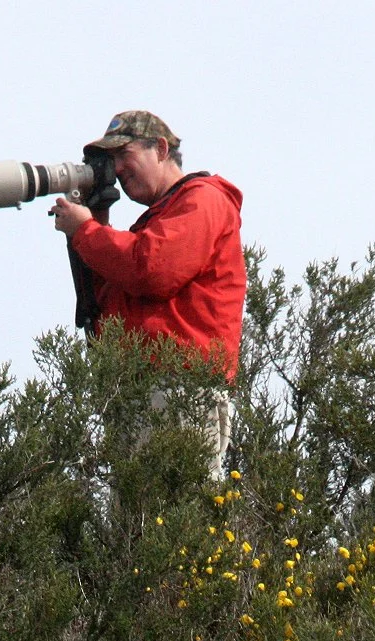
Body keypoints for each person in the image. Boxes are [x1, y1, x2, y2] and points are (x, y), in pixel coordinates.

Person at [50, 111, 246, 471]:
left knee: (177, 498)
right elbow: (108, 298)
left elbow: (152, 270)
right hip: (141, 390)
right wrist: (96, 221)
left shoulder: (202, 199)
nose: (118, 169)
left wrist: (87, 231)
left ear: (160, 149)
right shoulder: (158, 220)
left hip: (179, 387)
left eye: (125, 155)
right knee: (140, 506)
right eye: (112, 161)